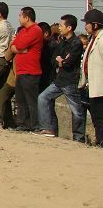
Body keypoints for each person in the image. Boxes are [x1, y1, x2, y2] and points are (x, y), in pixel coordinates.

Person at [36, 14, 84, 140]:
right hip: (59, 80)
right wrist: (61, 61)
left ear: (69, 27)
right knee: (43, 98)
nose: (59, 27)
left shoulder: (76, 43)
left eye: (61, 25)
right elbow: (54, 59)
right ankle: (47, 128)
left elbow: (70, 62)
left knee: (76, 111)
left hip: (70, 81)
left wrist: (62, 61)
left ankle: (79, 137)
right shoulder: (62, 42)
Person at [10, 7, 44, 132]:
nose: (18, 18)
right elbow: (12, 45)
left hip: (31, 71)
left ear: (27, 17)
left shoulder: (35, 30)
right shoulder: (23, 31)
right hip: (21, 71)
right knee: (21, 100)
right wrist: (17, 48)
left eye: (20, 15)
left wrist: (17, 48)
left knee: (31, 100)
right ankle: (22, 124)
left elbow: (18, 45)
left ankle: (34, 125)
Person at [79, 9, 103, 146]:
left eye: (88, 23)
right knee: (96, 116)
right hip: (93, 85)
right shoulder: (93, 39)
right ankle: (100, 140)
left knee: (100, 116)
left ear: (95, 24)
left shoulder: (101, 39)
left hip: (100, 85)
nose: (86, 26)